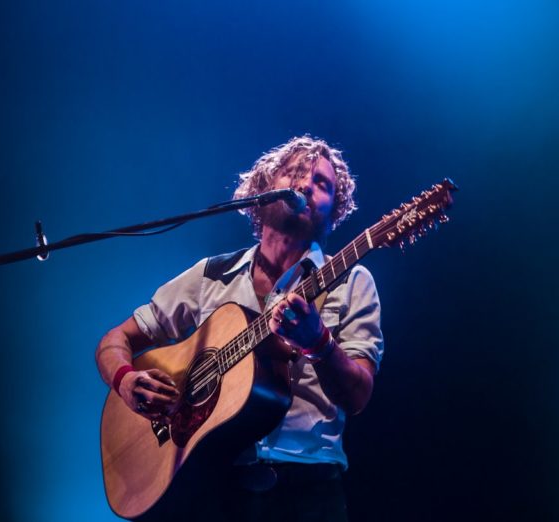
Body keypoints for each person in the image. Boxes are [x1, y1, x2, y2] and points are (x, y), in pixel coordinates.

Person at [96, 135, 383, 521]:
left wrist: (319, 343)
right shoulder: (210, 276)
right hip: (209, 488)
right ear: (262, 191)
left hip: (307, 492)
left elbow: (359, 395)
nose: (304, 186)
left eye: (322, 184)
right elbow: (116, 339)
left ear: (335, 210)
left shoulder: (350, 281)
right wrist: (125, 380)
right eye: (294, 173)